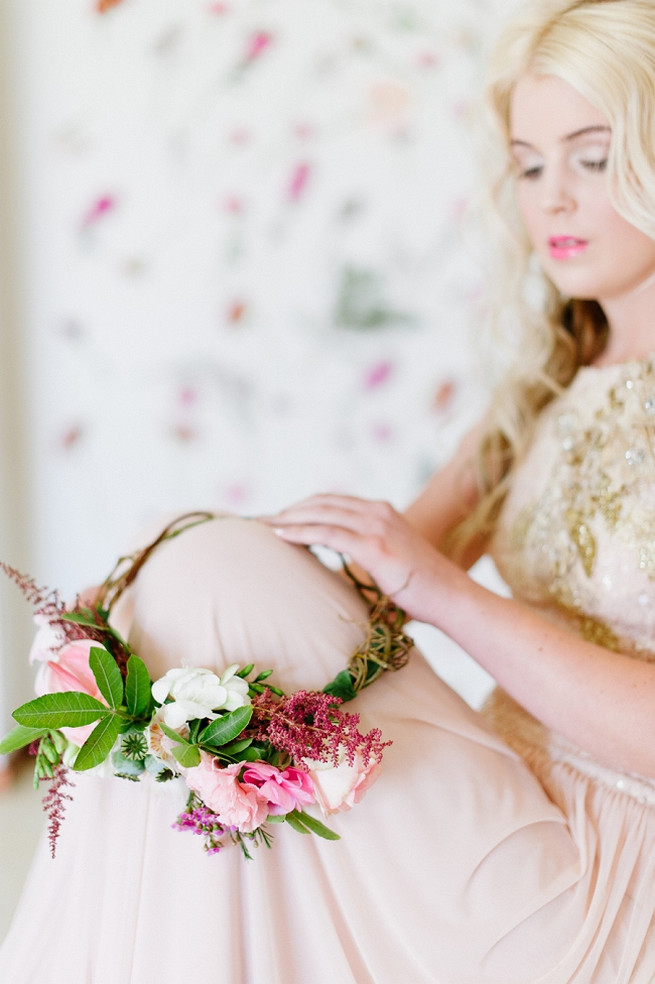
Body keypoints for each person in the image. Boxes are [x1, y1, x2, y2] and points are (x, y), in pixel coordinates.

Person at [3, 0, 655, 980]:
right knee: (204, 579)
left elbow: (427, 584)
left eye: (591, 157)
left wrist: (445, 593)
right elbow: (353, 586)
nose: (550, 199)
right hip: (495, 808)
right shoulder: (543, 389)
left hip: (612, 862)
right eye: (527, 164)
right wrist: (156, 597)